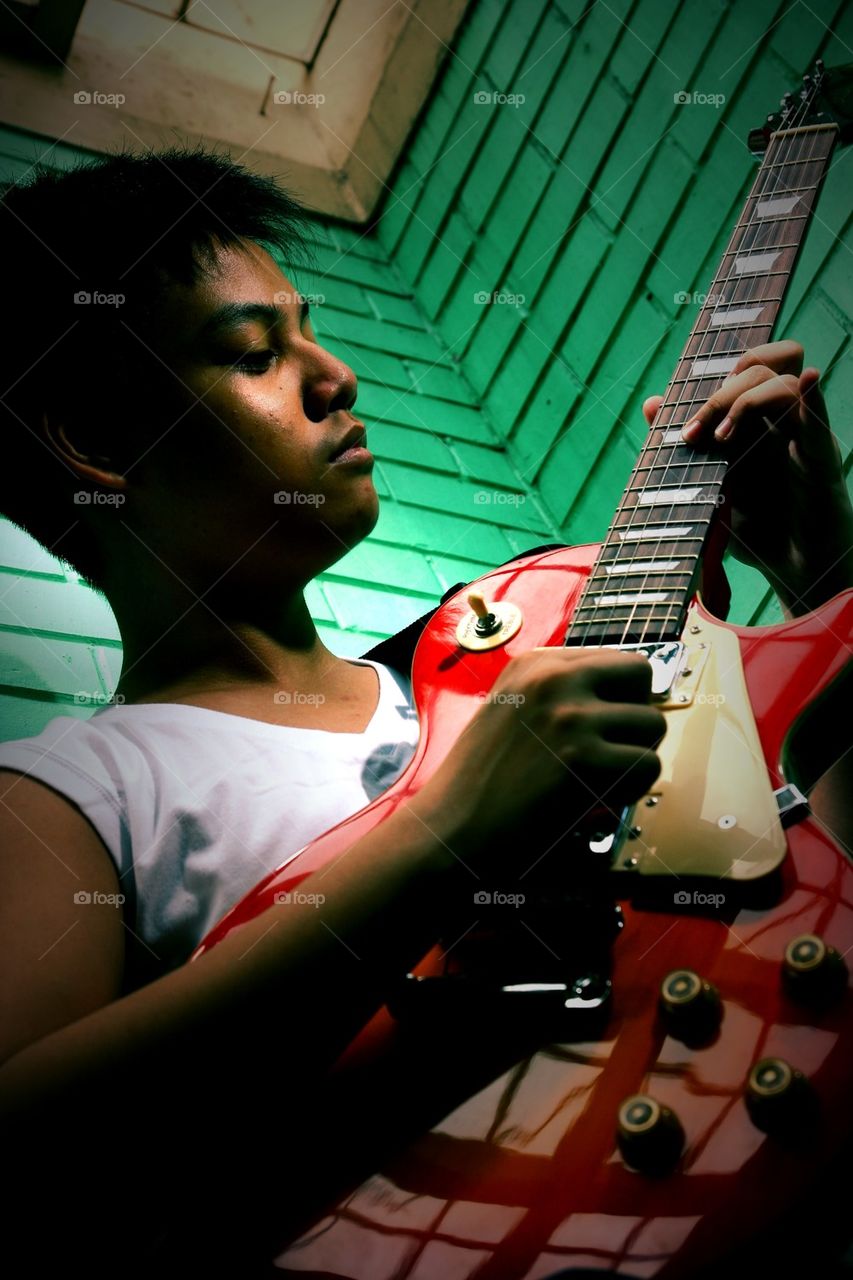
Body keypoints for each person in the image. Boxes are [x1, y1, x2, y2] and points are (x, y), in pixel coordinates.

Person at [0, 147, 850, 1276]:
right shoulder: (85, 782)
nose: (336, 372)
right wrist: (445, 835)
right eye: (256, 352)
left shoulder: (506, 636)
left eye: (311, 330)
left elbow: (791, 850)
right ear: (99, 448)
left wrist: (821, 581)